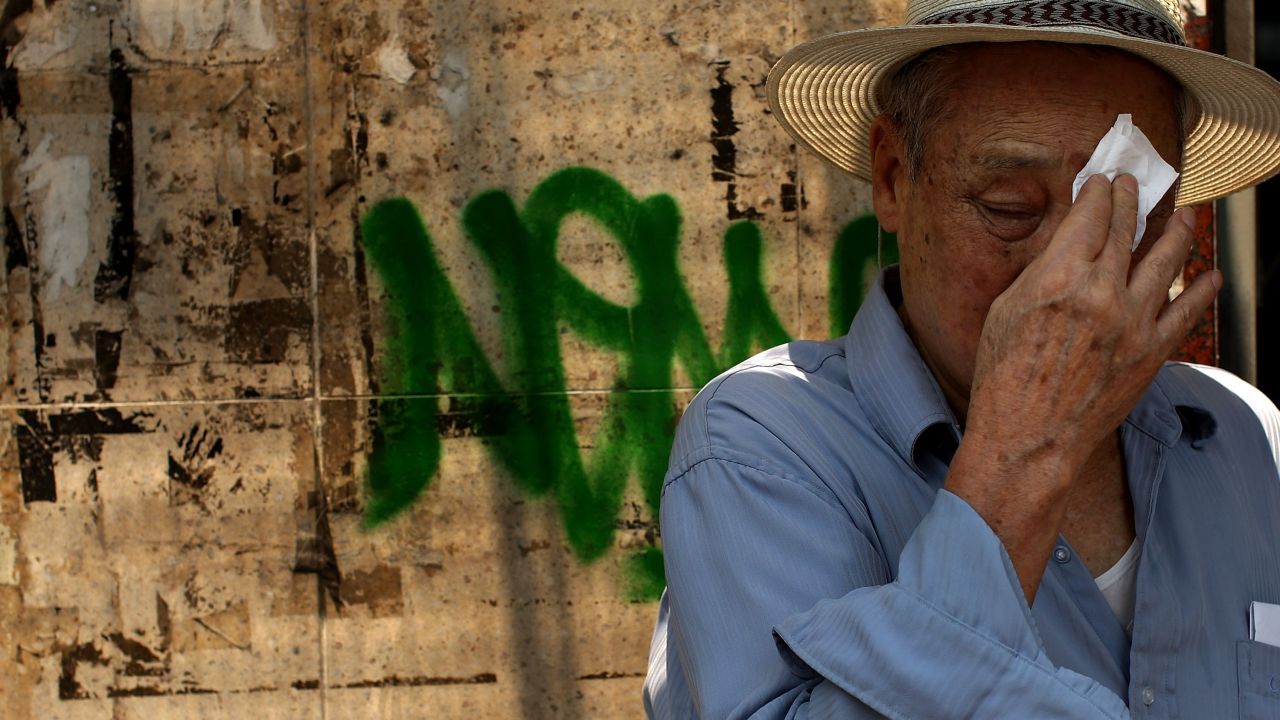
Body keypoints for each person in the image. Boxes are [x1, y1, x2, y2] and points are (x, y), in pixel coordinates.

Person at [642, 1, 1280, 718]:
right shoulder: (762, 446)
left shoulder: (1245, 438)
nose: (1069, 273)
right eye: (1009, 207)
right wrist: (1029, 450)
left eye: (1125, 210)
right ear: (892, 179)